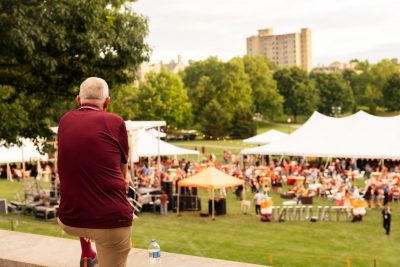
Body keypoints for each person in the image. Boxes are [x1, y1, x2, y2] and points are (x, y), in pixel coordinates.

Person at [57, 77, 133, 267]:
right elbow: (123, 174)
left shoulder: (65, 120)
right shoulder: (115, 121)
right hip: (111, 221)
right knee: (115, 240)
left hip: (69, 218)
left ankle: (87, 253)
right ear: (107, 102)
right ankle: (91, 255)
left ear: (78, 100)